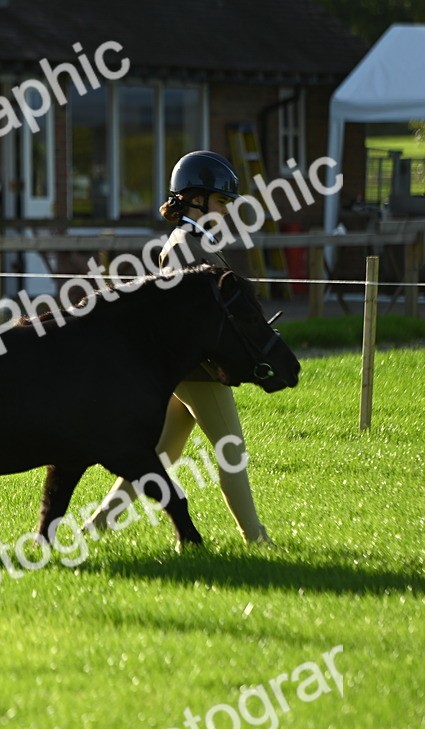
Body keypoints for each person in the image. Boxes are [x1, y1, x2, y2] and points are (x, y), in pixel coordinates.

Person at [83, 150, 272, 544]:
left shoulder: (199, 240)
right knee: (231, 451)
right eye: (221, 201)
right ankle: (255, 537)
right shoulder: (186, 245)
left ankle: (97, 526)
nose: (225, 210)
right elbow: (187, 316)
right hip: (200, 371)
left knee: (161, 454)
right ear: (194, 199)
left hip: (191, 368)